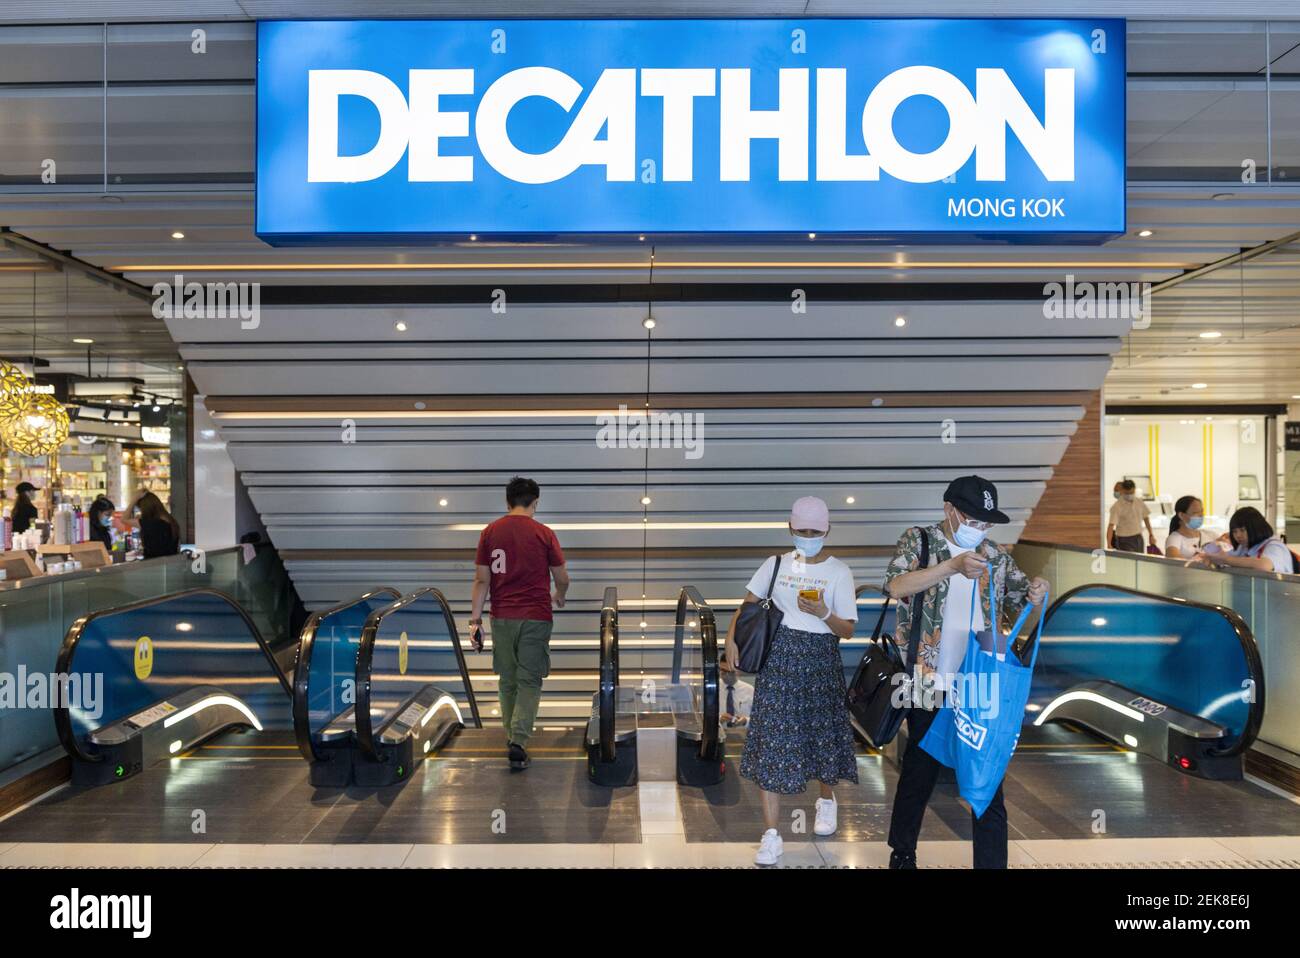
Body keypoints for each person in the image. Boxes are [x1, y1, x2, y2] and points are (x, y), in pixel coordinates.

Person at [882, 476, 1048, 870]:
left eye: (987, 522)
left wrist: (1039, 592)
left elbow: (1026, 599)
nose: (980, 529)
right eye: (973, 519)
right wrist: (951, 566)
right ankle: (902, 853)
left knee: (987, 779)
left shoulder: (995, 554)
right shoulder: (919, 541)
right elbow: (896, 585)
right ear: (949, 510)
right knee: (919, 774)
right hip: (927, 680)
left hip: (978, 682)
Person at [723, 496, 858, 866]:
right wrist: (730, 639)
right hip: (779, 661)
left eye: (815, 532)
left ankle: (826, 799)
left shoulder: (839, 572)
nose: (809, 537)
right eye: (802, 531)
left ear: (827, 531)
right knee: (774, 745)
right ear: (790, 528)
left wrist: (824, 612)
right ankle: (771, 834)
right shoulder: (775, 564)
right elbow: (747, 606)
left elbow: (847, 629)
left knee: (822, 736)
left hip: (820, 663)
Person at [469, 476, 569, 770]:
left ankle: (512, 737)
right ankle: (519, 741)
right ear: (535, 503)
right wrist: (559, 594)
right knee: (529, 680)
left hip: (501, 617)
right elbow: (562, 577)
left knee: (508, 680)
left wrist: (475, 621)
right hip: (536, 617)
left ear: (507, 502)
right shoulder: (544, 534)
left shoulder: (490, 532)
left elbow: (481, 580)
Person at [1192, 506, 1296, 574]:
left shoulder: (1275, 547)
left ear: (1256, 527)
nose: (1238, 535)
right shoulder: (1243, 549)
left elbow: (1264, 565)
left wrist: (1224, 560)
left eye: (1242, 530)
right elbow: (1226, 556)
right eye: (1234, 531)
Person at [1106, 479, 1155, 553]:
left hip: (1138, 537)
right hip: (1123, 539)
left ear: (1134, 490)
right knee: (1128, 562)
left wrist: (1151, 534)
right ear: (1122, 491)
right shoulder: (1117, 506)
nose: (1129, 495)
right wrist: (1109, 543)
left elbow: (1146, 519)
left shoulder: (1139, 502)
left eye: (1131, 492)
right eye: (1127, 493)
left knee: (1140, 560)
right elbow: (1111, 525)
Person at [132, 492, 179, 559]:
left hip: (153, 565)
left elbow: (124, 519)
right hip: (169, 563)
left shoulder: (151, 524)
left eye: (141, 509)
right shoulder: (170, 521)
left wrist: (135, 498)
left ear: (146, 508)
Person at [718, 657, 754, 728]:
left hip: (742, 735)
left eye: (729, 671)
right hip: (719, 734)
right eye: (722, 670)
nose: (725, 675)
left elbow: (759, 719)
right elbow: (702, 717)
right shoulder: (713, 688)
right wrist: (719, 719)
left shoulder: (749, 690)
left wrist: (745, 721)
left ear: (737, 671)